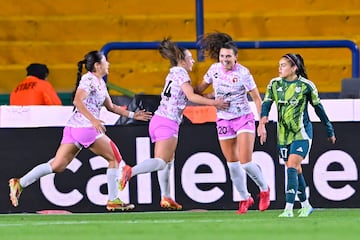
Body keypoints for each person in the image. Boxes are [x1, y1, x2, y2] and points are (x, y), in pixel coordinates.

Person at [8, 50, 152, 211]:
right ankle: (113, 200)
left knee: (57, 165)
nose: (108, 64)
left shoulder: (99, 82)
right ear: (97, 65)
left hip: (73, 128)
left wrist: (132, 114)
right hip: (86, 128)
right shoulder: (89, 80)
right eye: (105, 61)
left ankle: (20, 183)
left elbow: (111, 107)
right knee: (115, 159)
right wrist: (93, 120)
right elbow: (77, 100)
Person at [119, 38, 229, 210]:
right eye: (190, 58)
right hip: (168, 121)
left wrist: (210, 96)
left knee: (168, 161)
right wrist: (215, 103)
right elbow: (192, 97)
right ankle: (130, 171)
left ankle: (166, 197)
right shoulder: (182, 73)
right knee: (162, 162)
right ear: (181, 59)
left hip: (158, 120)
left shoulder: (172, 73)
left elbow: (187, 95)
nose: (192, 61)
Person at [194, 32, 270, 214]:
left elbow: (257, 99)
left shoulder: (243, 73)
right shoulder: (214, 70)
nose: (224, 60)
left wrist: (262, 123)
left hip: (243, 118)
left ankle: (264, 189)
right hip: (223, 119)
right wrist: (207, 96)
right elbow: (198, 90)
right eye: (222, 56)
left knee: (245, 162)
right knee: (232, 164)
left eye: (228, 56)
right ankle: (245, 198)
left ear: (236, 57)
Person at [260, 53, 336, 217]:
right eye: (279, 65)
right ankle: (306, 205)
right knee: (295, 168)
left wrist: (329, 129)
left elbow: (319, 109)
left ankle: (288, 208)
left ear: (294, 68)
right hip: (283, 135)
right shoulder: (274, 84)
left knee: (292, 165)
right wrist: (263, 119)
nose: (279, 68)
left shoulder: (306, 86)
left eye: (283, 65)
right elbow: (266, 102)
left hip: (302, 132)